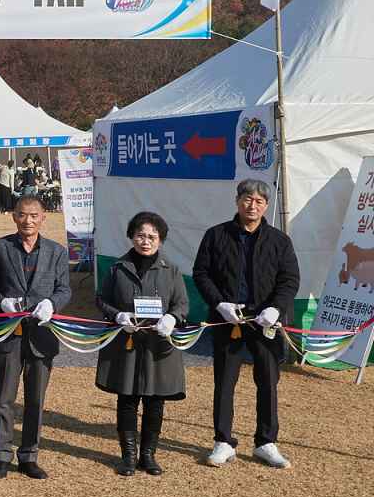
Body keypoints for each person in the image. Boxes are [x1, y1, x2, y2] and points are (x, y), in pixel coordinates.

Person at [193, 179, 299, 469]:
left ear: (266, 206)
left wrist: (276, 309)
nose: (252, 206)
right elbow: (201, 273)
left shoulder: (279, 240)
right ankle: (223, 441)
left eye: (259, 201)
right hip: (228, 319)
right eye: (247, 199)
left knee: (268, 381)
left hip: (265, 322)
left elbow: (289, 280)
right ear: (237, 200)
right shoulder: (215, 236)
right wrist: (219, 304)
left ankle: (266, 441)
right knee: (224, 382)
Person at [0, 195, 71, 479]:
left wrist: (52, 304)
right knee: (4, 398)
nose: (28, 221)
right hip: (9, 333)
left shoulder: (57, 252)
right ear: (14, 216)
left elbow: (64, 289)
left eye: (34, 215)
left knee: (35, 400)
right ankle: (1, 454)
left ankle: (29, 455)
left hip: (42, 335)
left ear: (44, 217)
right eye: (22, 215)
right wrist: (1, 302)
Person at [95, 211, 189, 476]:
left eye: (152, 236)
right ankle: (128, 456)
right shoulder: (117, 268)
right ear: (131, 236)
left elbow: (182, 303)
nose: (145, 241)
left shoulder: (171, 270)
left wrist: (172, 317)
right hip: (127, 343)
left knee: (155, 400)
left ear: (160, 240)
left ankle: (148, 455)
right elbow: (101, 299)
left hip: (158, 346)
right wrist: (117, 315)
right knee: (127, 398)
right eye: (140, 235)